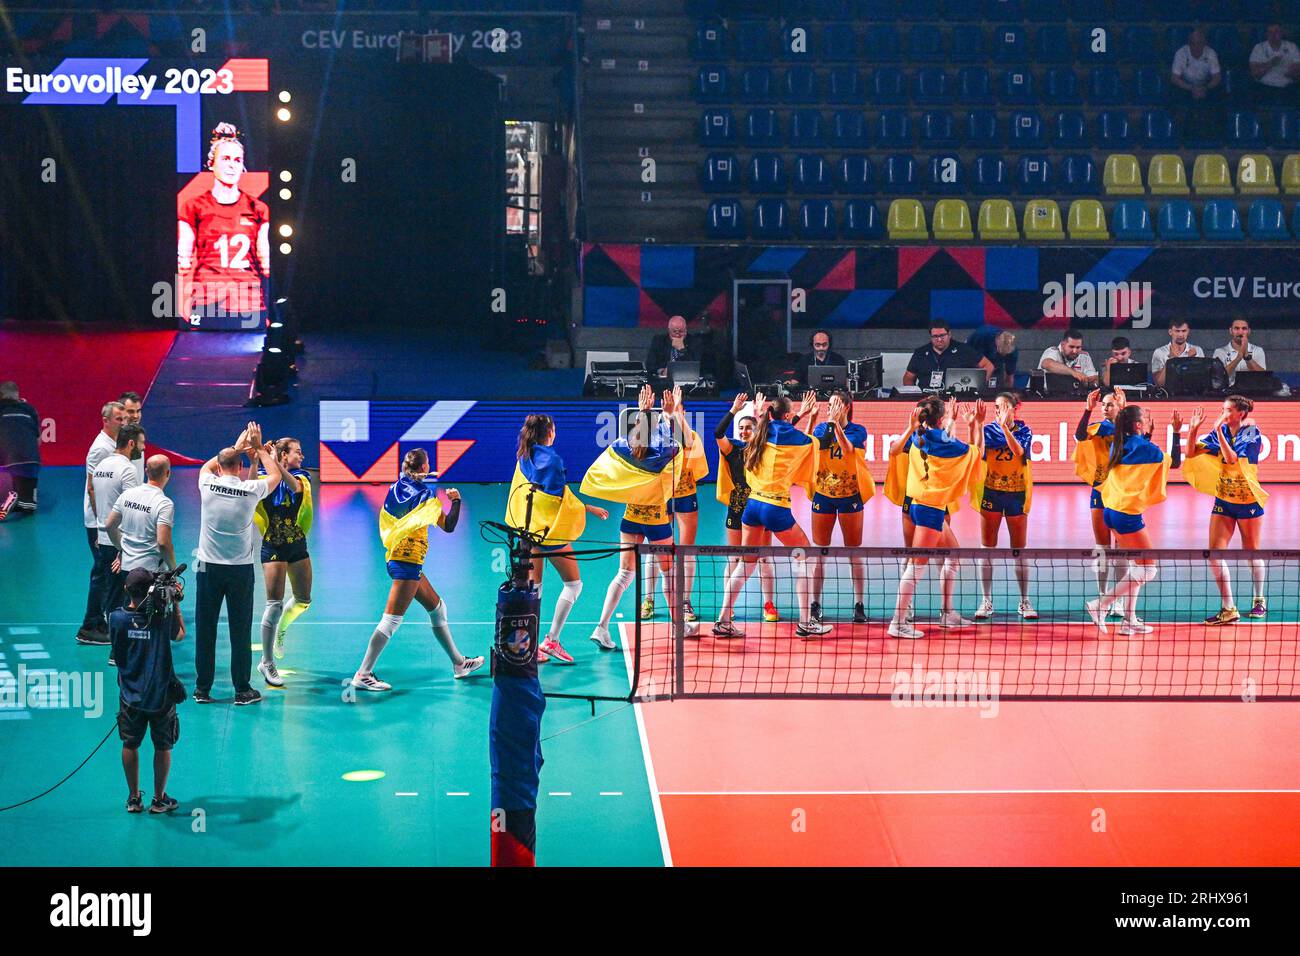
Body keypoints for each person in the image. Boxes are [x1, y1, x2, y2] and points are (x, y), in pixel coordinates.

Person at [352, 448, 483, 691]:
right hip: (407, 563)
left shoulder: (394, 488)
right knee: (390, 620)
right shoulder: (427, 497)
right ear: (424, 468)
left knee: (437, 608)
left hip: (397, 558)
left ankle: (459, 664)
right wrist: (455, 500)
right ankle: (363, 673)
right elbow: (450, 526)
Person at [581, 385, 699, 649]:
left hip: (630, 518)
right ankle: (678, 626)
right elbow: (679, 443)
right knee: (669, 574)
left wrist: (645, 411)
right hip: (656, 521)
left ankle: (601, 627)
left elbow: (636, 436)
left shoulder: (625, 448)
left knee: (623, 574)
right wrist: (669, 414)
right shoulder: (663, 452)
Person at [713, 390, 832, 639]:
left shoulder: (759, 433)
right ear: (787, 415)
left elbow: (777, 426)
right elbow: (819, 442)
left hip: (752, 507)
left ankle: (723, 620)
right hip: (776, 509)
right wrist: (826, 418)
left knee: (745, 566)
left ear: (768, 413)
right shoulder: (794, 437)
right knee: (804, 557)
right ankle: (806, 622)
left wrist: (796, 415)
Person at [506, 413, 608, 665]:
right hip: (551, 534)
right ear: (549, 433)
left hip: (528, 533)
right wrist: (586, 509)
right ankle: (552, 639)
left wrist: (588, 507)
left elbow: (539, 496)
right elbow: (561, 501)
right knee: (574, 585)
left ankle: (528, 646)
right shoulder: (553, 460)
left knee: (534, 590)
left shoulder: (524, 455)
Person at [194, 424, 281, 705]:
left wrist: (238, 444)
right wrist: (257, 448)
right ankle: (242, 690)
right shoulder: (251, 489)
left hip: (208, 567)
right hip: (239, 570)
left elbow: (212, 464)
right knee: (239, 629)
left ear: (220, 467)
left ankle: (202, 689)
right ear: (242, 467)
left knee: (205, 629)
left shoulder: (206, 482)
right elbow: (277, 475)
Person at [887, 396, 985, 639]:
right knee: (916, 567)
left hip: (921, 505)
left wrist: (949, 420)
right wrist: (977, 424)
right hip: (930, 510)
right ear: (940, 418)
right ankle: (897, 622)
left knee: (953, 557)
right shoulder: (950, 445)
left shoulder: (917, 435)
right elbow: (977, 452)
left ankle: (947, 613)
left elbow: (898, 448)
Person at [1086, 404, 1184, 636]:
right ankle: (1100, 604)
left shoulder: (1121, 443)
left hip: (1112, 510)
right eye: (1147, 418)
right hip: (1126, 515)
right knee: (1148, 570)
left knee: (1136, 566)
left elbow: (1142, 449)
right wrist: (1177, 432)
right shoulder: (1142, 447)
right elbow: (1176, 462)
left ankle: (1129, 619)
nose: (1151, 419)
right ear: (1138, 425)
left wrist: (1148, 435)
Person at [1183, 396, 1269, 623]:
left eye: (1228, 410)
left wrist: (1217, 430)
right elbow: (1191, 453)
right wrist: (1193, 431)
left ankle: (1259, 599)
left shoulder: (1251, 433)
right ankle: (1228, 607)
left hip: (1248, 500)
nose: (1223, 414)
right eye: (1222, 409)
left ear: (1241, 413)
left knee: (1251, 551)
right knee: (1214, 553)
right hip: (1224, 500)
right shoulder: (1217, 433)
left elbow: (1232, 459)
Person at [178, 123, 270, 325]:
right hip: (207, 301)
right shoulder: (193, 207)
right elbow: (182, 261)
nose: (232, 165)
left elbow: (267, 265)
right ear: (212, 163)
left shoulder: (258, 208)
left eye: (237, 160)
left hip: (249, 303)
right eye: (225, 159)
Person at [110, 567, 185, 814]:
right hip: (160, 695)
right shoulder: (161, 619)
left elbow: (118, 654)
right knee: (163, 746)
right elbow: (180, 635)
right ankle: (159, 798)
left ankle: (133, 798)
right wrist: (174, 603)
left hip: (130, 694)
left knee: (130, 744)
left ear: (126, 590)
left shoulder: (116, 619)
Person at [806, 391, 875, 624]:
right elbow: (808, 446)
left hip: (850, 495)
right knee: (819, 551)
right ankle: (815, 604)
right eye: (829, 405)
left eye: (835, 405)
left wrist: (835, 424)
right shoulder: (822, 429)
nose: (830, 409)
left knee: (853, 551)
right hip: (823, 495)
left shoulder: (858, 431)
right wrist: (814, 420)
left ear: (846, 407)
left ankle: (859, 604)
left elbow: (847, 448)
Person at [642, 392, 709, 625]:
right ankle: (648, 598)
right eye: (668, 405)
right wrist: (659, 414)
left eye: (678, 406)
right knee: (655, 547)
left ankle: (685, 601)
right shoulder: (656, 431)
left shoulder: (690, 434)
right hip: (660, 495)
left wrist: (677, 413)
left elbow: (688, 442)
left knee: (686, 549)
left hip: (685, 494)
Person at [713, 392, 780, 623]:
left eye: (749, 428)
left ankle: (769, 604)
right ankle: (727, 606)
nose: (744, 431)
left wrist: (761, 416)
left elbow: (774, 433)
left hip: (760, 508)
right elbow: (717, 433)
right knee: (734, 558)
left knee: (763, 559)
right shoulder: (733, 450)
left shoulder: (765, 449)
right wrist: (734, 409)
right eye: (741, 428)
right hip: (737, 508)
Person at [253, 438, 314, 688]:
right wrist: (257, 458)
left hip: (297, 544)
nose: (302, 456)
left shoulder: (301, 476)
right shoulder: (263, 477)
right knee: (274, 604)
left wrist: (274, 463)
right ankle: (267, 662)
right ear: (284, 455)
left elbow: (294, 488)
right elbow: (252, 488)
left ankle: (281, 630)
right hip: (273, 545)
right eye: (297, 452)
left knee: (303, 600)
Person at [971, 392, 1037, 621]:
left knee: (1019, 550)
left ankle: (1024, 601)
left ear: (1015, 409)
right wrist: (977, 425)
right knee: (986, 549)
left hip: (1017, 493)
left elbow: (1019, 452)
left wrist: (1005, 428)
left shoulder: (1025, 431)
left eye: (1006, 406)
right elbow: (976, 453)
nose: (1001, 411)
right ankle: (986, 601)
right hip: (991, 492)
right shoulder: (988, 431)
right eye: (998, 407)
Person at [1073, 388, 1131, 618]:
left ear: (1120, 407)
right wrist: (1088, 409)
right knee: (1103, 548)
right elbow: (1079, 435)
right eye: (1104, 405)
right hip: (1100, 489)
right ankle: (1102, 596)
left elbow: (1132, 440)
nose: (1106, 408)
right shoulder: (1097, 428)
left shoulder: (1128, 429)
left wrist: (1125, 413)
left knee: (1122, 549)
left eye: (1110, 404)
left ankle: (1116, 600)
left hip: (1122, 491)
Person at [90, 423, 146, 639]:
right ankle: (119, 648)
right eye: (141, 444)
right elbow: (132, 510)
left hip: (104, 539)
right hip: (119, 543)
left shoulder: (102, 465)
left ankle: (115, 642)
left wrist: (99, 525)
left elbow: (93, 494)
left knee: (109, 594)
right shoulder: (127, 469)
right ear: (131, 443)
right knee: (122, 598)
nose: (142, 449)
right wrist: (124, 550)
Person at [78, 401, 127, 645]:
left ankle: (101, 620)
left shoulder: (115, 446)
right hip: (98, 522)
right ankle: (91, 624)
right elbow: (92, 487)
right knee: (102, 572)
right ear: (105, 421)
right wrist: (101, 526)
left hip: (106, 520)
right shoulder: (100, 449)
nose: (123, 422)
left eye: (124, 418)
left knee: (106, 570)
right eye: (119, 419)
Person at [105, 455, 176, 596]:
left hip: (126, 569)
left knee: (129, 611)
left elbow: (109, 526)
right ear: (168, 473)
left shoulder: (127, 494)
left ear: (146, 471)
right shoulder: (164, 503)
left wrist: (122, 550)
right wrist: (173, 570)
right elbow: (163, 543)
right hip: (151, 572)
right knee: (151, 616)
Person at [903, 321, 994, 388]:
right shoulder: (920, 353)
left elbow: (988, 366)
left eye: (942, 335)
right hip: (927, 399)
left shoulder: (964, 350)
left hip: (956, 398)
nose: (939, 339)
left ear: (949, 334)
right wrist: (914, 396)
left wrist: (978, 386)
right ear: (930, 337)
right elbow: (908, 378)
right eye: (935, 336)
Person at [1170, 27, 1222, 142]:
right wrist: (1191, 88)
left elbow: (1217, 77)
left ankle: (1214, 136)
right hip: (1185, 86)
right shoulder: (1181, 53)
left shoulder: (1211, 53)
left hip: (1206, 86)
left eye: (1199, 43)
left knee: (1219, 98)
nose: (1196, 46)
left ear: (1205, 44)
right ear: (1189, 44)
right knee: (1175, 98)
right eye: (1193, 43)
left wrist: (1206, 88)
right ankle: (1182, 137)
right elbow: (1174, 78)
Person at [0, 381, 40, 515]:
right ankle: (21, 499)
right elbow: (38, 440)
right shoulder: (30, 409)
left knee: (12, 465)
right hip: (33, 461)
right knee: (29, 507)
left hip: (7, 459)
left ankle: (10, 497)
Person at [647, 314, 711, 383]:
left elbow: (697, 367)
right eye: (674, 331)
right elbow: (650, 365)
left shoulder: (695, 342)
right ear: (669, 330)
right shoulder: (659, 341)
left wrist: (682, 350)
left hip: (687, 381)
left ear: (686, 330)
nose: (677, 335)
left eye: (681, 331)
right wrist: (662, 371)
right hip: (663, 381)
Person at [1249, 23, 1300, 107]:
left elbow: (1297, 72)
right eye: (1270, 32)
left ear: (1281, 33)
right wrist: (1270, 64)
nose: (1273, 35)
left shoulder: (1292, 47)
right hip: (1264, 87)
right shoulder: (1259, 48)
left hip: (1288, 87)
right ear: (1266, 34)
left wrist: (1292, 73)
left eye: (1276, 32)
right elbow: (1255, 74)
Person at [1151, 320, 1206, 390]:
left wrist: (1191, 359)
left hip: (1192, 394)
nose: (1180, 335)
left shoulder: (1197, 350)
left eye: (1183, 331)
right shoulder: (1160, 352)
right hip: (1168, 396)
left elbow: (1202, 381)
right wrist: (1171, 361)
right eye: (1177, 331)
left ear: (1188, 331)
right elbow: (1159, 383)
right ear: (1170, 332)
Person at [1213, 318, 1267, 386]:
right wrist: (1238, 358)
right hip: (1227, 391)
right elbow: (1218, 377)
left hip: (1252, 391)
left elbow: (1263, 377)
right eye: (1236, 328)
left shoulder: (1258, 350)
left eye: (1244, 328)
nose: (1240, 332)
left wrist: (1247, 357)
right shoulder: (1219, 352)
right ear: (1231, 331)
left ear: (1249, 331)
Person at [118, 391, 145, 482]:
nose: (136, 416)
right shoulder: (111, 443)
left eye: (138, 411)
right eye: (131, 412)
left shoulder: (138, 439)